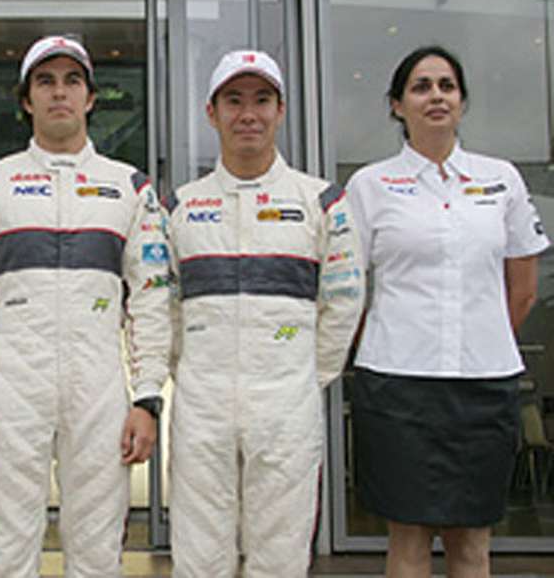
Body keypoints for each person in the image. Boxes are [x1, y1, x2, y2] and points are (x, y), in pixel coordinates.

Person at [0, 35, 171, 578]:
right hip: (12, 385)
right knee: (6, 544)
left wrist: (147, 397)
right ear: (26, 100)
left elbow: (152, 299)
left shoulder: (130, 188)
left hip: (99, 387)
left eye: (72, 81)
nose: (59, 93)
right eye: (45, 82)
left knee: (98, 548)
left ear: (91, 97)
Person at [345, 45, 548, 578]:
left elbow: (523, 290)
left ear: (461, 101)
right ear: (397, 105)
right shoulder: (369, 185)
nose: (435, 96)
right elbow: (347, 289)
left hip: (484, 387)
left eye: (446, 86)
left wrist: (477, 339)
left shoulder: (501, 179)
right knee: (408, 539)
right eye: (421, 87)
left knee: (473, 541)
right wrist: (388, 340)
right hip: (397, 388)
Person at [165, 49, 365, 577]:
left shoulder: (323, 201)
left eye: (261, 100)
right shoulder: (179, 206)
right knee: (198, 554)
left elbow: (343, 301)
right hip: (201, 402)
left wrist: (301, 375)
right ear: (211, 113)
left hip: (287, 403)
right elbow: (165, 307)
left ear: (281, 110)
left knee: (280, 554)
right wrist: (192, 370)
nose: (248, 114)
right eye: (234, 100)